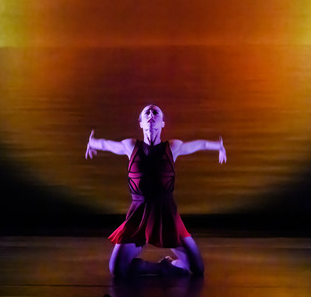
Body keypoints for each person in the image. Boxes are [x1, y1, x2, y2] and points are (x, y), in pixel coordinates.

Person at [85, 104, 227, 277]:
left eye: (155, 112)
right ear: (141, 124)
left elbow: (200, 144)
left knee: (197, 268)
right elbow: (107, 145)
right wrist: (92, 143)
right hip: (139, 215)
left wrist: (218, 146)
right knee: (117, 269)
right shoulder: (131, 146)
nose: (151, 114)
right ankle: (159, 268)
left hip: (166, 213)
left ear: (162, 123)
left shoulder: (172, 147)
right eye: (147, 112)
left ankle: (167, 266)